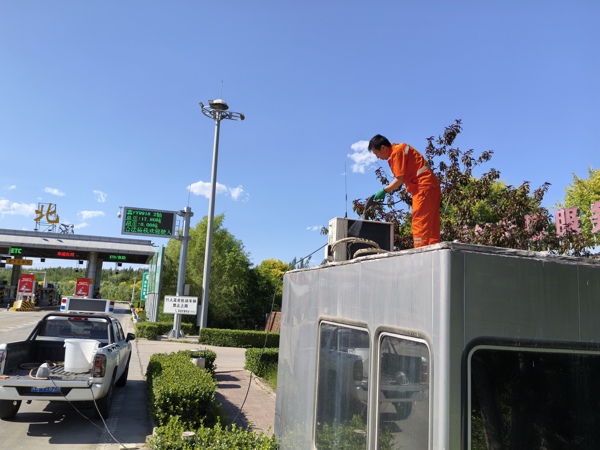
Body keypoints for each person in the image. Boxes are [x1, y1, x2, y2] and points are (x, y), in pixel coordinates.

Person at [368, 134, 441, 248]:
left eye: (376, 153)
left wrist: (384, 190)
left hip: (422, 188)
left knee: (419, 222)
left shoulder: (397, 152)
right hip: (431, 186)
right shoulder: (400, 149)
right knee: (431, 225)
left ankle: (420, 252)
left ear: (383, 148)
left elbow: (399, 179)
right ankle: (434, 250)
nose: (377, 157)